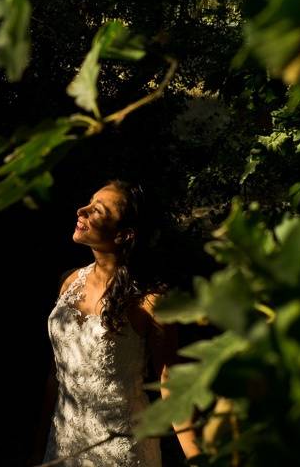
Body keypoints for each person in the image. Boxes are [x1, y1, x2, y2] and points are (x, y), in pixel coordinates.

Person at [41, 180, 200, 466]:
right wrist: (39, 445)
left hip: (121, 450)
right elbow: (57, 373)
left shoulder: (150, 301)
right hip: (63, 445)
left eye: (97, 210)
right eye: (88, 202)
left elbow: (172, 383)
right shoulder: (67, 283)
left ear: (124, 235)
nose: (82, 210)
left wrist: (198, 456)